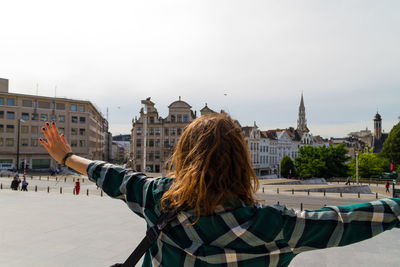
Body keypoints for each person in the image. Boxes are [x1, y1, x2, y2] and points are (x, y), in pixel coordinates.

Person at [39, 117, 400, 267]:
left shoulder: (160, 199)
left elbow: (114, 176)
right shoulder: (273, 225)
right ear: (241, 164)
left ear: (185, 156)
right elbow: (343, 220)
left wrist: (67, 156)